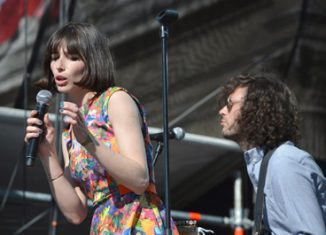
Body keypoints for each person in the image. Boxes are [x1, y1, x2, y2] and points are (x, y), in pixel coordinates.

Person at [24, 22, 179, 234]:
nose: (59, 66)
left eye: (72, 57)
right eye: (54, 57)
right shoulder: (69, 132)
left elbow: (140, 180)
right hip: (104, 226)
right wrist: (47, 154)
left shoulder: (115, 100)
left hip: (138, 222)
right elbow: (75, 213)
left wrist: (89, 141)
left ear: (92, 60)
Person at [218, 74, 326, 234]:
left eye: (229, 104)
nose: (221, 111)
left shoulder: (284, 162)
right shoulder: (266, 164)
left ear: (256, 108)